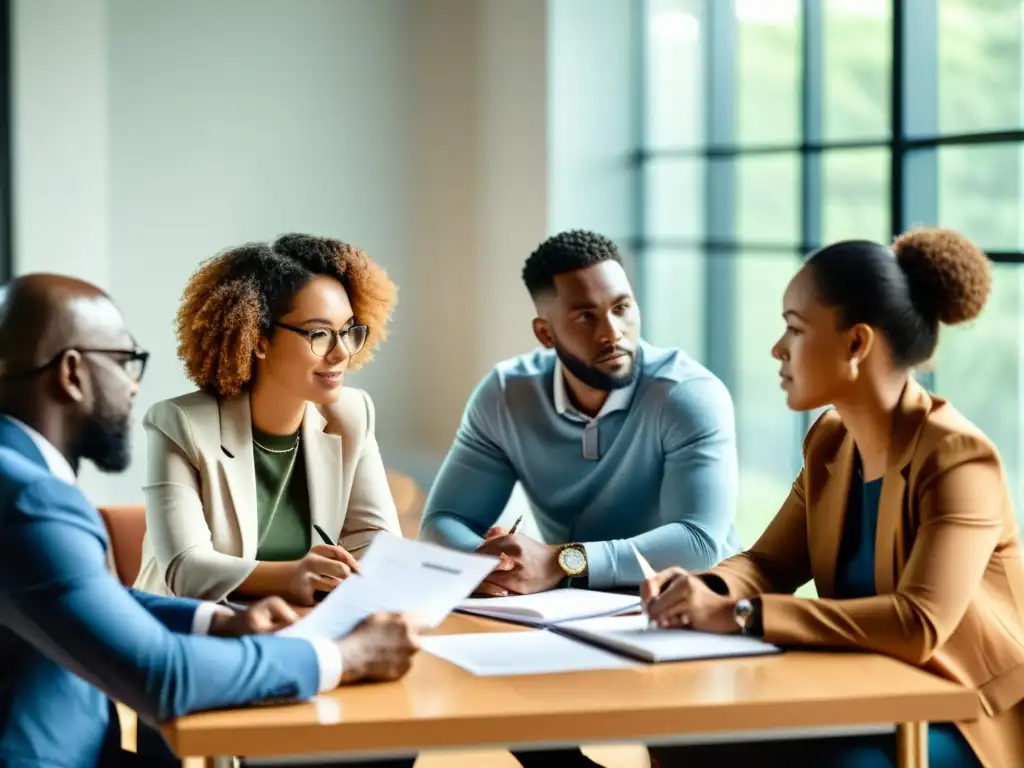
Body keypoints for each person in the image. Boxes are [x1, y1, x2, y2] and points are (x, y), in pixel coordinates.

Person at [0, 273, 419, 768]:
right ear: (71, 373)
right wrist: (344, 658)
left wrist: (218, 621)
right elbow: (165, 676)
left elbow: (86, 599)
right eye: (123, 362)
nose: (133, 384)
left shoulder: (19, 476)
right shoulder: (30, 499)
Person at [642, 228, 1024, 768]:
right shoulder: (832, 439)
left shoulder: (958, 457)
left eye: (794, 330)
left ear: (856, 344)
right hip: (863, 690)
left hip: (963, 713)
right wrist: (701, 589)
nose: (778, 350)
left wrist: (743, 615)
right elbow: (769, 561)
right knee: (684, 735)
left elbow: (917, 624)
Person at [420, 229, 740, 768]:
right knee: (498, 686)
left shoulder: (687, 395)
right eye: (585, 316)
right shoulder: (505, 394)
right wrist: (488, 562)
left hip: (689, 607)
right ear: (545, 333)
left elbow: (699, 542)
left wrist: (562, 561)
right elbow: (445, 519)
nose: (613, 331)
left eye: (622, 308)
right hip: (570, 611)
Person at [134, 233, 403, 605]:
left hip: (302, 628)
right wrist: (293, 575)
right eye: (320, 334)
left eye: (348, 331)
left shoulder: (352, 414)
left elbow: (380, 547)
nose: (341, 352)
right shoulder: (179, 423)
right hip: (193, 636)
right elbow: (186, 571)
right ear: (258, 340)